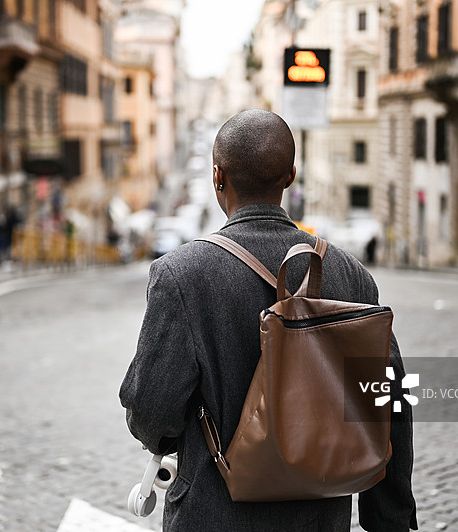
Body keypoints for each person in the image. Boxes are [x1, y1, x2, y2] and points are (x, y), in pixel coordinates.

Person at [119, 110, 417, 531]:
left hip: (214, 515)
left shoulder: (182, 275)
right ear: (290, 175)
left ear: (217, 176)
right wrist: (389, 517)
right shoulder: (350, 274)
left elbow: (151, 411)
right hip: (321, 518)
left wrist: (175, 438)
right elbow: (387, 401)